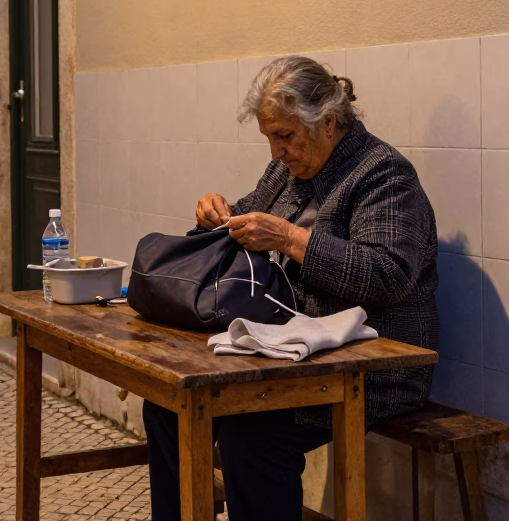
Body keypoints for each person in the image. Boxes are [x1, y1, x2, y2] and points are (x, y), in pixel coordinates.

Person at [142, 55, 440, 521]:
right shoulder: (288, 171)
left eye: (284, 136)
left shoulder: (383, 175)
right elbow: (244, 228)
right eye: (269, 138)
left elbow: (388, 275)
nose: (276, 152)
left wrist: (288, 238)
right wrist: (214, 218)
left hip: (371, 365)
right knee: (166, 406)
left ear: (327, 122)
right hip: (289, 353)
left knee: (250, 437)